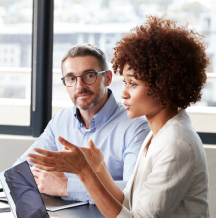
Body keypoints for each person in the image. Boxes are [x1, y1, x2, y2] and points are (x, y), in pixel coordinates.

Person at [28, 16, 216, 218]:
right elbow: (131, 202)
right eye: (125, 81)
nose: (124, 92)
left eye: (133, 83)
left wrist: (84, 174)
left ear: (164, 86)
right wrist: (99, 170)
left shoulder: (177, 144)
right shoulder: (159, 134)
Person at [15, 43, 149, 203]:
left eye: (89, 75)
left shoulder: (136, 126)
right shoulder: (61, 119)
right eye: (71, 78)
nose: (80, 86)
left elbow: (133, 192)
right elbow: (21, 169)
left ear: (107, 78)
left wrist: (66, 187)